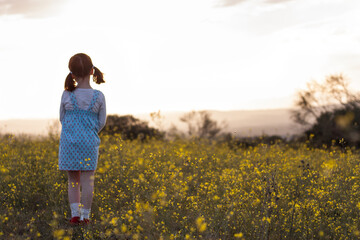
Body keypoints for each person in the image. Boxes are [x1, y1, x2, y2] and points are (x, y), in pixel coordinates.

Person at [58, 53, 106, 225]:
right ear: (92, 71)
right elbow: (101, 122)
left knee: (73, 180)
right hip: (89, 143)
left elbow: (62, 118)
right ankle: (85, 217)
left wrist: (73, 132)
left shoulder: (66, 95)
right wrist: (88, 133)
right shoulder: (99, 96)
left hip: (69, 142)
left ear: (72, 75)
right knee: (88, 180)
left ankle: (75, 215)